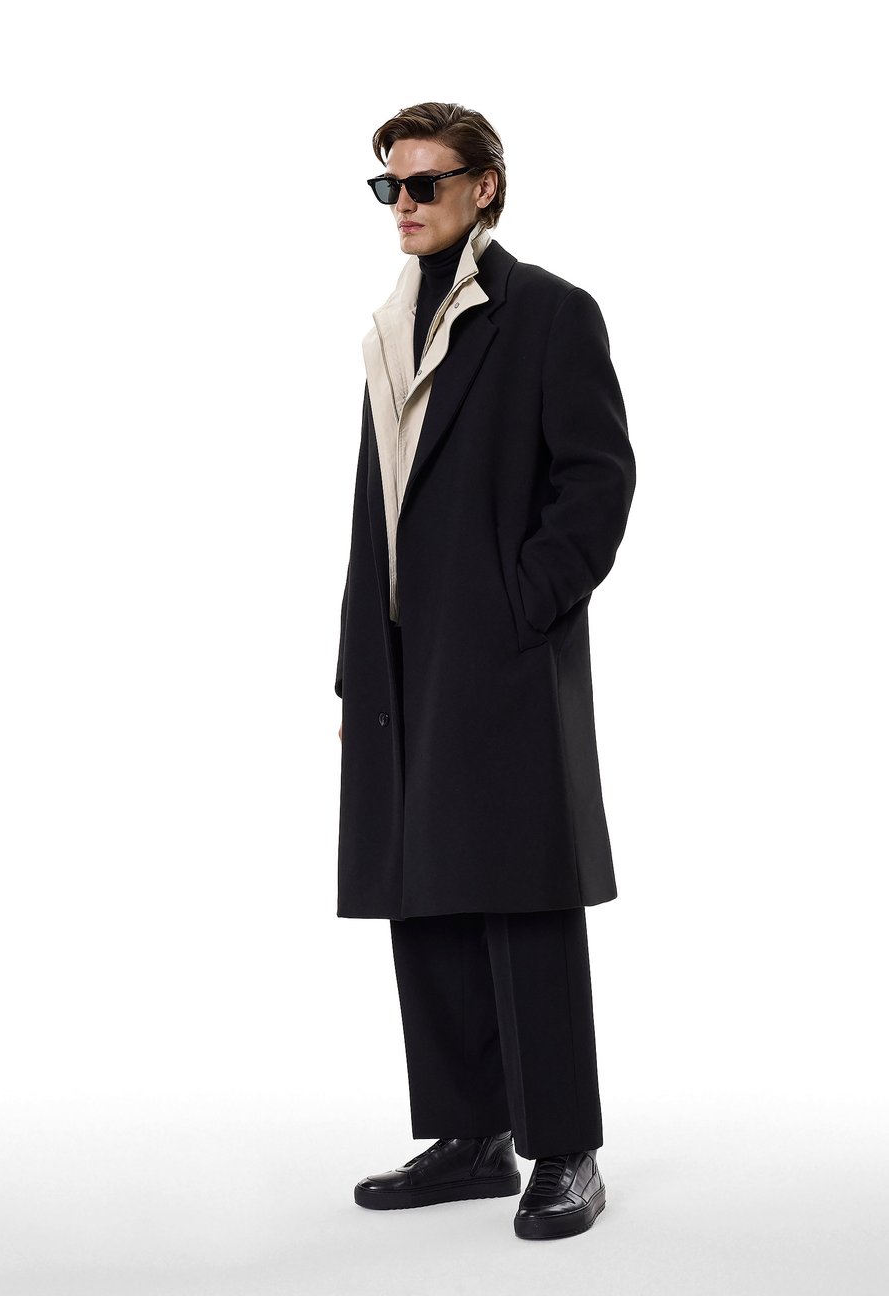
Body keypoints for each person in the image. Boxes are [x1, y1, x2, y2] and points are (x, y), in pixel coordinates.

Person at [334, 101, 636, 1241]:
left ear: (484, 187)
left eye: (423, 184)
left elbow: (598, 481)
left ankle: (565, 1148)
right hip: (403, 657)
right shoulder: (391, 327)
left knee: (524, 895)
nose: (403, 205)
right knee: (426, 892)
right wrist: (358, 658)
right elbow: (378, 507)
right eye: (389, 187)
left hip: (502, 653)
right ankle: (470, 1136)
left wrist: (525, 607)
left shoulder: (549, 314)